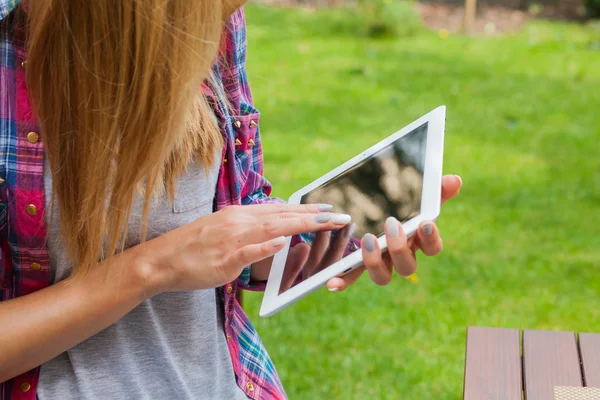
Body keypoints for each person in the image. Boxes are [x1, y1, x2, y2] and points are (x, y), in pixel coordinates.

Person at [0, 1, 462, 399]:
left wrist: (321, 246)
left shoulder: (216, 18)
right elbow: (182, 251)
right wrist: (152, 268)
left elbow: (231, 215)